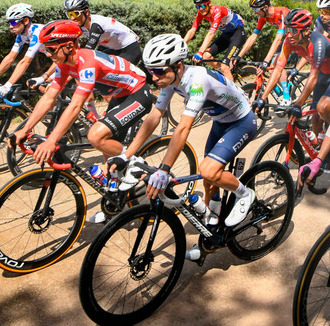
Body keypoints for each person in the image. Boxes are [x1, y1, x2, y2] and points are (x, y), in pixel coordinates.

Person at [107, 34, 257, 261]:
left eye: (158, 71)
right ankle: (211, 234)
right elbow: (154, 116)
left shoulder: (197, 80)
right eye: (150, 71)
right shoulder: (171, 81)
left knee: (209, 171)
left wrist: (164, 169)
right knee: (209, 183)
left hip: (241, 121)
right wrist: (126, 155)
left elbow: (182, 128)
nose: (153, 77)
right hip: (221, 122)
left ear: (178, 66)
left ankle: (245, 194)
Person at [9, 20, 153, 221]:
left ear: (69, 46)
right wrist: (25, 129)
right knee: (106, 156)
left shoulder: (87, 62)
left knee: (96, 136)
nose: (48, 55)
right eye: (45, 50)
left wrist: (51, 141)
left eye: (51, 49)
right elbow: (49, 97)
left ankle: (137, 163)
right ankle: (116, 202)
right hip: (120, 93)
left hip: (138, 91)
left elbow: (76, 105)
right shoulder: (65, 65)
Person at [253, 9, 330, 138]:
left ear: (305, 31)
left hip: (322, 75)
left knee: (322, 108)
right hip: (323, 75)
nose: (289, 34)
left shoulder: (319, 42)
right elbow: (278, 70)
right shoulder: (289, 42)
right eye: (287, 29)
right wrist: (263, 98)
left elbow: (313, 76)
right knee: (315, 119)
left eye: (293, 30)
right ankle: (319, 151)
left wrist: (298, 104)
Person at [63, 0, 142, 117]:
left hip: (130, 49)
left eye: (76, 14)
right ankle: (94, 118)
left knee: (107, 81)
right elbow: (73, 51)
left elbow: (88, 51)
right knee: (90, 76)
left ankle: (124, 112)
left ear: (86, 12)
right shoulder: (80, 26)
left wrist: (67, 76)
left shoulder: (96, 25)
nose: (73, 18)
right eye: (70, 14)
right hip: (115, 50)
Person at [0, 3, 50, 98]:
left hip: (68, 62)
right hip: (59, 63)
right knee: (32, 84)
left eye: (13, 22)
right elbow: (10, 58)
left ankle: (65, 107)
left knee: (50, 91)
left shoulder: (38, 32)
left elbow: (25, 61)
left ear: (26, 20)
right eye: (9, 23)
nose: (11, 26)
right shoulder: (22, 36)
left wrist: (7, 86)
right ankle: (61, 105)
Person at [232, 0, 291, 105]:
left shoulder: (283, 12)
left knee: (276, 61)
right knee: (272, 64)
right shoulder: (263, 17)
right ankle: (278, 88)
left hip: (296, 41)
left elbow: (278, 39)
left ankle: (286, 95)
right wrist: (239, 55)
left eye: (256, 9)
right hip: (286, 40)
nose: (255, 13)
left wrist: (266, 61)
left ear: (265, 7)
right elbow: (253, 36)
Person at [183, 0, 246, 81]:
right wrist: (181, 44)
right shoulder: (201, 13)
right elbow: (192, 30)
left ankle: (234, 93)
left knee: (224, 67)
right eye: (198, 6)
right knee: (207, 56)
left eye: (203, 5)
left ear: (209, 3)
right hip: (226, 34)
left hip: (238, 34)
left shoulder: (217, 11)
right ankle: (226, 73)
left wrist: (200, 52)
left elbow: (211, 33)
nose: (200, 9)